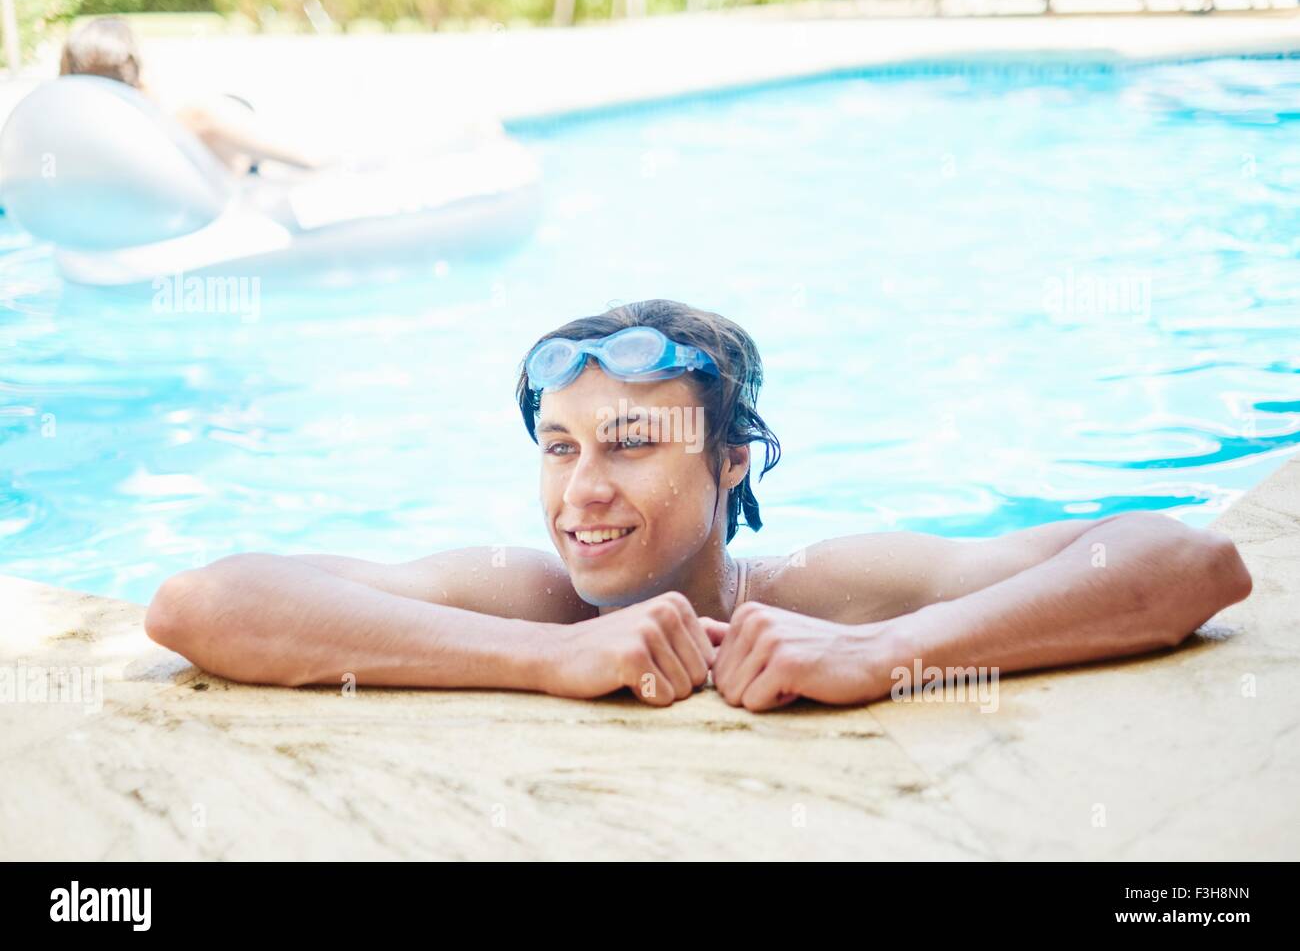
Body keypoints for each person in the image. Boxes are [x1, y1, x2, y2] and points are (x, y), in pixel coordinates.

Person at [145, 299, 1254, 711]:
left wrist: (891, 653)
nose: (581, 491)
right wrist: (544, 660)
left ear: (732, 464)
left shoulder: (825, 586)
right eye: (560, 446)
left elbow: (1184, 557)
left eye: (630, 446)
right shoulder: (528, 600)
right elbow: (199, 604)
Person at [59, 16, 321, 174]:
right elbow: (311, 161)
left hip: (233, 135)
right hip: (230, 150)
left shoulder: (70, 144)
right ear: (140, 78)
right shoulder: (196, 121)